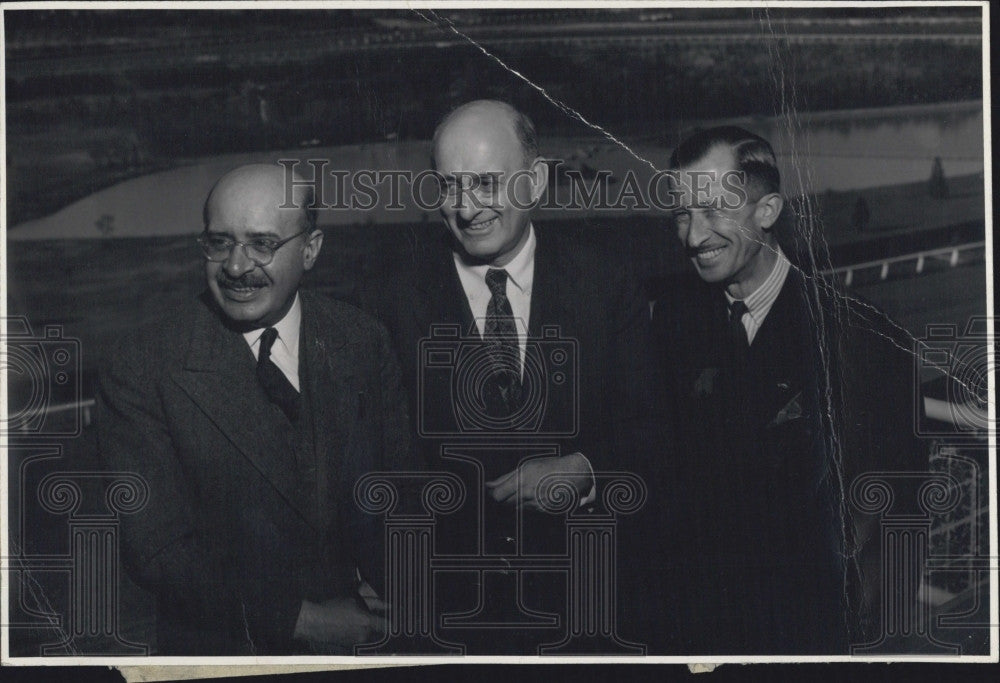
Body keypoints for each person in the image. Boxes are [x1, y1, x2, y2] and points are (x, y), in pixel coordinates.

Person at [364, 100, 663, 653]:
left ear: (536, 180)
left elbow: (651, 431)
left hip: (594, 614)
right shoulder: (390, 303)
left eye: (485, 182)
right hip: (445, 620)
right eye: (450, 186)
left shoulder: (607, 283)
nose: (467, 207)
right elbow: (374, 466)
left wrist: (588, 468)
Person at [96, 164, 412, 655]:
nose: (237, 267)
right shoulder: (142, 366)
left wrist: (394, 584)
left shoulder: (362, 339)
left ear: (310, 250)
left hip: (373, 635)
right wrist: (302, 621)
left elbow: (398, 487)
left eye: (262, 244)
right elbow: (157, 549)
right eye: (220, 242)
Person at [645, 126, 927, 653]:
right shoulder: (673, 322)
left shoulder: (862, 338)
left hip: (812, 635)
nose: (692, 236)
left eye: (713, 210)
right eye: (682, 213)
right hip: (697, 628)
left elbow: (893, 524)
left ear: (768, 210)